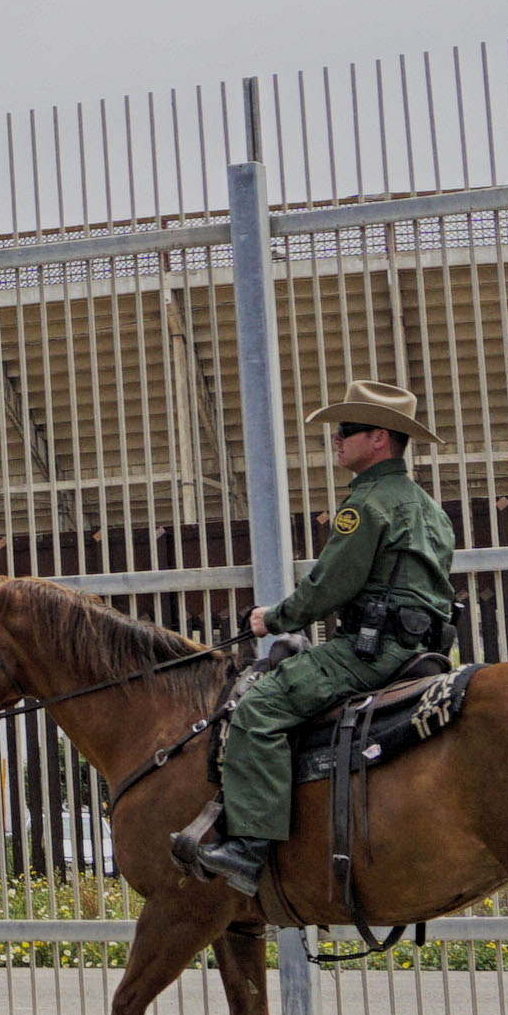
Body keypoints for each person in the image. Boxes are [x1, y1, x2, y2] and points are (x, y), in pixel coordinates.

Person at [171, 380, 461, 897]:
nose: (337, 440)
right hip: (427, 651)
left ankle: (247, 849)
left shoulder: (366, 504)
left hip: (372, 653)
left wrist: (273, 620)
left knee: (259, 708)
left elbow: (331, 583)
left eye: (346, 430)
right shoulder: (427, 506)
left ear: (379, 439)